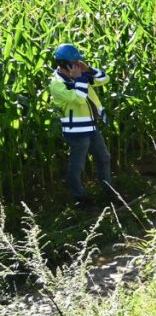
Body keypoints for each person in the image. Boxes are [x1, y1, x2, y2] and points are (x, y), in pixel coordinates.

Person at [48, 43, 114, 207]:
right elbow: (78, 98)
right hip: (76, 131)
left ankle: (110, 192)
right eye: (75, 63)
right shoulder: (57, 84)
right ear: (65, 64)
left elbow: (104, 79)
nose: (78, 65)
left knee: (104, 157)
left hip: (91, 127)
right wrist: (79, 78)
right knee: (78, 166)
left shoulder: (80, 75)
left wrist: (89, 69)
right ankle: (81, 198)